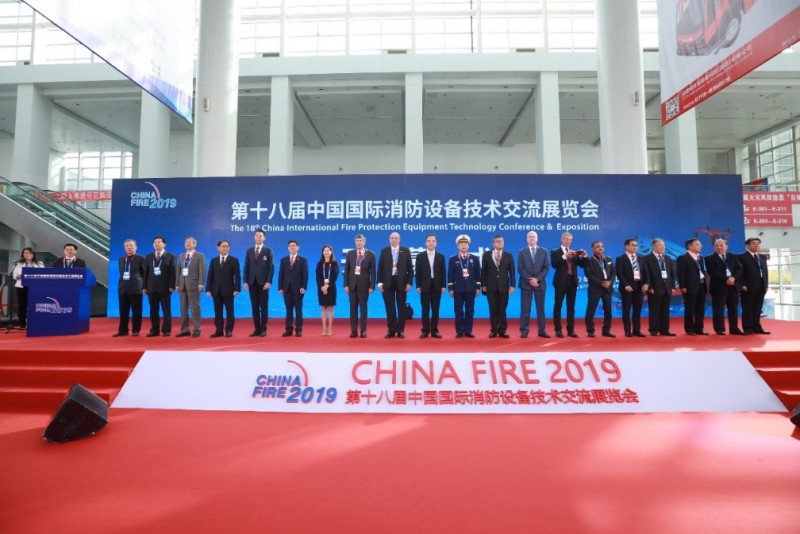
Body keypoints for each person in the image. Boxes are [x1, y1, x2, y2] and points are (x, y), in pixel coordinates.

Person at [550, 232, 587, 338]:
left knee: (571, 307)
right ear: (562, 239)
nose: (568, 241)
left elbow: (583, 265)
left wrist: (584, 256)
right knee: (558, 306)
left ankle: (571, 330)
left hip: (572, 282)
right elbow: (554, 264)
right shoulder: (555, 251)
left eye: (570, 240)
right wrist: (564, 256)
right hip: (560, 282)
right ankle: (558, 330)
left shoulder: (574, 252)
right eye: (566, 239)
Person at [377, 232, 413, 338]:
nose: (394, 240)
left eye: (396, 238)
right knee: (390, 307)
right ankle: (391, 330)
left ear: (399, 239)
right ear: (389, 240)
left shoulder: (405, 251)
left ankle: (401, 330)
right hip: (387, 281)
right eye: (392, 238)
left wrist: (409, 283)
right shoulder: (384, 251)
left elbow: (410, 269)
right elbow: (380, 268)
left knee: (401, 307)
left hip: (402, 282)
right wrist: (380, 283)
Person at [705, 238, 744, 336]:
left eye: (721, 245)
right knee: (718, 309)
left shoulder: (733, 256)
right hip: (719, 287)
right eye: (716, 246)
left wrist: (733, 278)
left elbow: (739, 269)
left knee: (733, 309)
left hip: (733, 286)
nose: (719, 247)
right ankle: (719, 329)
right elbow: (712, 272)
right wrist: (726, 279)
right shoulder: (709, 258)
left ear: (726, 246)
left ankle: (734, 328)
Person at [517, 231, 551, 338]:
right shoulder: (521, 252)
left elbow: (546, 267)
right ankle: (524, 331)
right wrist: (530, 279)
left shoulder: (544, 251)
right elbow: (520, 268)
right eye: (530, 237)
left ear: (537, 239)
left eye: (533, 237)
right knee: (525, 309)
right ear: (526, 239)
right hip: (525, 284)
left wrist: (537, 279)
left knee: (541, 309)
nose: (532, 238)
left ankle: (542, 331)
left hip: (540, 284)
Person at [481, 234, 515, 338]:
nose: (500, 243)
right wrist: (483, 284)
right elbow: (483, 271)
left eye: (501, 241)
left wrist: (512, 285)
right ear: (493, 243)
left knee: (502, 309)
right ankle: (494, 330)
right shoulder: (486, 255)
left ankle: (503, 330)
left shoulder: (508, 255)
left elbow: (512, 272)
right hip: (490, 286)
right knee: (493, 309)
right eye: (497, 241)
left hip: (504, 286)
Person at [642, 238, 677, 336]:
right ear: (653, 246)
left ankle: (664, 329)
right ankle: (654, 329)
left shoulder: (667, 258)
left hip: (667, 288)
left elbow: (671, 274)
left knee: (665, 310)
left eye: (663, 245)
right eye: (659, 245)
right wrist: (649, 287)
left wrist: (673, 286)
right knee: (654, 310)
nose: (662, 247)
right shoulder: (647, 258)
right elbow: (645, 274)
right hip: (654, 289)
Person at [143, 236, 177, 337]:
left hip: (165, 288)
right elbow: (146, 272)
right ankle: (154, 330)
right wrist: (144, 286)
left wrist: (172, 285)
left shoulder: (171, 256)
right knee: (153, 310)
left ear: (164, 244)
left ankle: (166, 330)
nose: (156, 244)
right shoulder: (149, 256)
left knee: (166, 310)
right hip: (151, 288)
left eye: (158, 242)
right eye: (154, 242)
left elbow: (173, 272)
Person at [205, 240, 240, 338]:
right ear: (218, 248)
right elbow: (210, 275)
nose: (226, 248)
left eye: (227, 246)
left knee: (230, 312)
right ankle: (219, 330)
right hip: (216, 290)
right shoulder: (214, 260)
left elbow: (237, 276)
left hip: (229, 290)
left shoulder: (234, 260)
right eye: (223, 246)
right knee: (217, 312)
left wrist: (237, 289)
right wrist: (208, 289)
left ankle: (229, 330)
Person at [448, 234, 481, 338]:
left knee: (470, 310)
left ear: (469, 245)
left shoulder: (474, 258)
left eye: (465, 243)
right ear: (458, 246)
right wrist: (451, 288)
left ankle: (468, 331)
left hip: (471, 288)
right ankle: (459, 331)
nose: (463, 245)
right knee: (458, 310)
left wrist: (477, 287)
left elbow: (478, 274)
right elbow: (450, 274)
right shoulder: (453, 259)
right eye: (461, 243)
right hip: (458, 289)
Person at [615, 238, 648, 338]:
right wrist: (626, 285)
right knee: (626, 310)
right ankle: (627, 330)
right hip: (627, 288)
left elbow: (646, 272)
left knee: (637, 310)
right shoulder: (620, 258)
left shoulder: (641, 258)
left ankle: (637, 330)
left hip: (639, 287)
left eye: (636, 245)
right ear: (626, 246)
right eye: (633, 245)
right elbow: (619, 273)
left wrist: (646, 284)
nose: (635, 247)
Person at [243, 229, 274, 337]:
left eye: (260, 236)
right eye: (256, 235)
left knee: (264, 307)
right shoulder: (249, 251)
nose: (258, 237)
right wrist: (245, 281)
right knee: (254, 306)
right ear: (254, 237)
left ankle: (263, 329)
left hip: (263, 283)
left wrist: (268, 281)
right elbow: (246, 267)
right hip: (252, 282)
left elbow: (271, 268)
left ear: (264, 238)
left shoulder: (268, 251)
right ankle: (257, 329)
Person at [343, 234, 375, 338]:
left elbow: (373, 272)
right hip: (352, 286)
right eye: (357, 241)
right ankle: (353, 331)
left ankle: (363, 331)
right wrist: (346, 285)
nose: (358, 242)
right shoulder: (350, 254)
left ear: (364, 242)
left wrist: (372, 286)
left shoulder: (371, 254)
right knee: (353, 310)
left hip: (364, 286)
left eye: (360, 240)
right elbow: (346, 270)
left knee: (363, 309)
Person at [582, 241, 616, 338]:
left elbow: (613, 272)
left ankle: (606, 330)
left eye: (602, 246)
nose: (600, 248)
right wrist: (601, 283)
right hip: (595, 288)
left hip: (607, 288)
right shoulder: (589, 260)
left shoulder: (608, 258)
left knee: (608, 310)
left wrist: (609, 282)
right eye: (598, 246)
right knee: (591, 310)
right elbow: (588, 274)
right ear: (592, 249)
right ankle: (590, 330)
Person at [415, 234, 446, 339]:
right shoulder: (420, 256)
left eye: (433, 241)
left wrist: (443, 285)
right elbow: (417, 272)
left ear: (436, 243)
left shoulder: (441, 256)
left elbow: (443, 272)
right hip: (424, 286)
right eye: (429, 241)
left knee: (435, 309)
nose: (431, 243)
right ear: (425, 243)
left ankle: (434, 331)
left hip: (437, 285)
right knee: (425, 309)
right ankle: (425, 330)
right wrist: (418, 285)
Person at [113, 239, 146, 337]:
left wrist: (144, 286)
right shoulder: (121, 259)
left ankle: (136, 330)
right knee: (123, 311)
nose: (129, 248)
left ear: (136, 247)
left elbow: (144, 274)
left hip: (136, 288)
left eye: (131, 245)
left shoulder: (141, 259)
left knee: (136, 311)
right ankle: (123, 330)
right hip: (123, 288)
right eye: (126, 246)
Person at [677, 238, 709, 336]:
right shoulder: (683, 257)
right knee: (690, 309)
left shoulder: (701, 257)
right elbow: (680, 273)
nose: (701, 246)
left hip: (702, 285)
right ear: (690, 246)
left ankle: (699, 328)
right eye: (698, 244)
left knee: (700, 308)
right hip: (689, 287)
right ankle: (689, 329)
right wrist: (683, 286)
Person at [176, 237, 206, 338]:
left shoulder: (200, 255)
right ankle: (185, 330)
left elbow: (202, 270)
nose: (187, 244)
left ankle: (197, 329)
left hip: (194, 284)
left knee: (195, 308)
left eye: (189, 242)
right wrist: (177, 284)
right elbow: (178, 271)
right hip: (182, 285)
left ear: (194, 244)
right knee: (183, 308)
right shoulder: (181, 256)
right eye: (186, 242)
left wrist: (201, 283)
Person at [739, 237, 770, 335]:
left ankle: (757, 327)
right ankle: (748, 328)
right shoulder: (742, 257)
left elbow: (765, 272)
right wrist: (742, 284)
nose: (756, 245)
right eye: (753, 243)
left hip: (761, 286)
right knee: (747, 308)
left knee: (757, 308)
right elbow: (740, 272)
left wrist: (766, 285)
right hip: (748, 287)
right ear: (748, 245)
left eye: (758, 243)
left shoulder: (762, 257)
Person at [278, 240, 308, 337]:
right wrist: (280, 287)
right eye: (290, 246)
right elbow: (281, 274)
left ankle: (298, 329)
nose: (292, 247)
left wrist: (303, 287)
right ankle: (288, 330)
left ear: (298, 247)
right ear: (288, 248)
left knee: (298, 311)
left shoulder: (302, 260)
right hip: (286, 289)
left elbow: (305, 275)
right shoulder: (284, 260)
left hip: (298, 290)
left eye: (294, 246)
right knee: (288, 310)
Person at [11, 247, 44, 329]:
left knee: (34, 305)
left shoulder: (39, 263)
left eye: (29, 253)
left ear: (33, 254)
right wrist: (17, 276)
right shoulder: (19, 264)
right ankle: (22, 324)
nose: (27, 254)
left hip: (35, 287)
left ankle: (34, 323)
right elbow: (14, 275)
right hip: (22, 286)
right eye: (25, 253)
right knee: (22, 305)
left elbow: (43, 274)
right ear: (23, 254)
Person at [315, 244, 339, 336]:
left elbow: (334, 276)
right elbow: (318, 277)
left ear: (331, 252)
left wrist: (327, 286)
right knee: (323, 308)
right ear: (322, 252)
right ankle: (324, 328)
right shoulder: (319, 264)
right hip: (321, 288)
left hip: (331, 288)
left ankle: (330, 328)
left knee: (330, 308)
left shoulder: (334, 263)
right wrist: (322, 287)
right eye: (324, 251)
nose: (326, 252)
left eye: (328, 250)